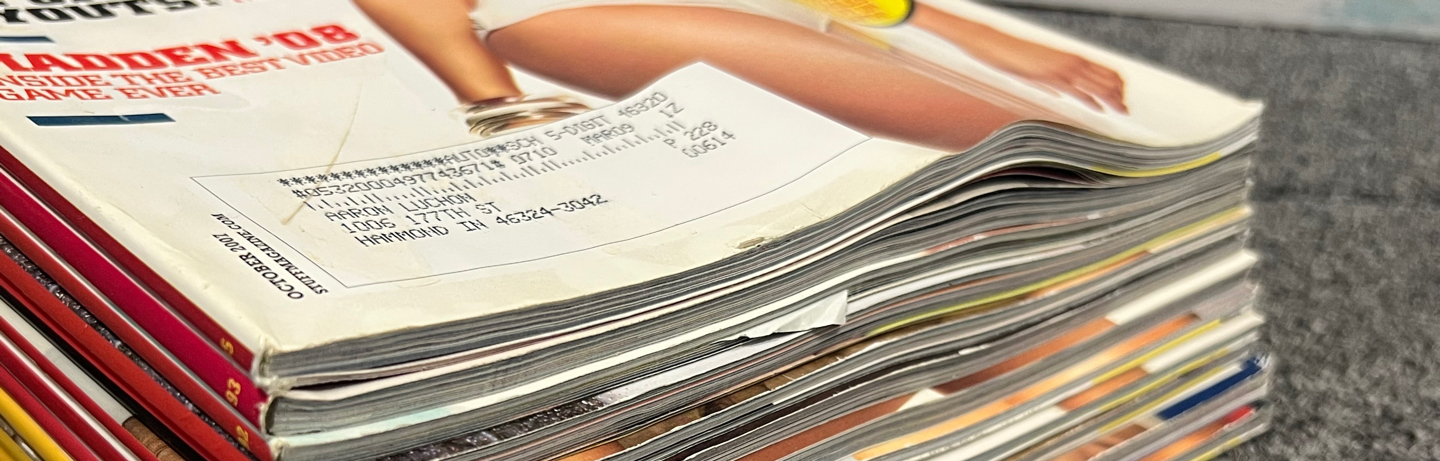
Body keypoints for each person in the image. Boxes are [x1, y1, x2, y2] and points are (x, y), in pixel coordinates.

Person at [354, 0, 1126, 150]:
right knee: (1046, 143)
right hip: (579, 12)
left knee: (1054, 151)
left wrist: (962, 28)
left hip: (791, 9)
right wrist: (497, 103)